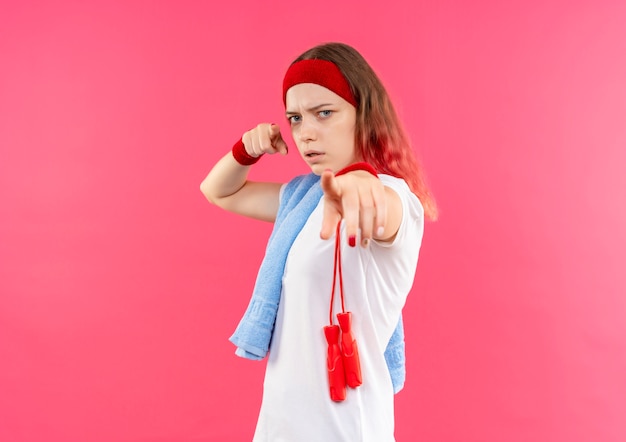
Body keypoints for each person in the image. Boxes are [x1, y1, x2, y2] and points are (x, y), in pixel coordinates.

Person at [200, 42, 437, 442]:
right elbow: (219, 191)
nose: (306, 133)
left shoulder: (395, 198)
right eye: (295, 118)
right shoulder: (302, 202)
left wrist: (362, 180)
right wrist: (247, 149)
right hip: (279, 429)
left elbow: (384, 208)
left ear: (364, 113)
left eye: (324, 113)